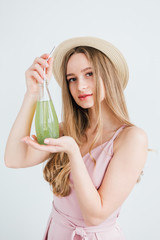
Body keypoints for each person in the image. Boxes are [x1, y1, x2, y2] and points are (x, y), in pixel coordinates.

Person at [4, 36, 148, 240]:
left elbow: (95, 216)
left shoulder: (132, 138)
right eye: (72, 78)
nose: (80, 86)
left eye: (89, 74)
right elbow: (14, 159)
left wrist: (73, 151)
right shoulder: (68, 130)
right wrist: (32, 93)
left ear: (108, 76)